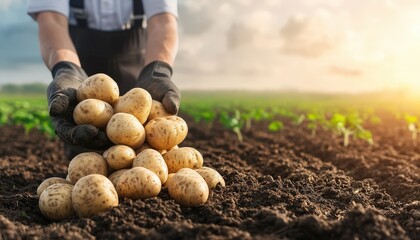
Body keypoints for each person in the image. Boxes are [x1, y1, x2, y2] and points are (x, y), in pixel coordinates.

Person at [27, 0, 181, 159]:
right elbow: (52, 20)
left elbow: (162, 21)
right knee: (84, 152)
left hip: (140, 78)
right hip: (80, 81)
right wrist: (67, 69)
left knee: (141, 155)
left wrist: (157, 70)